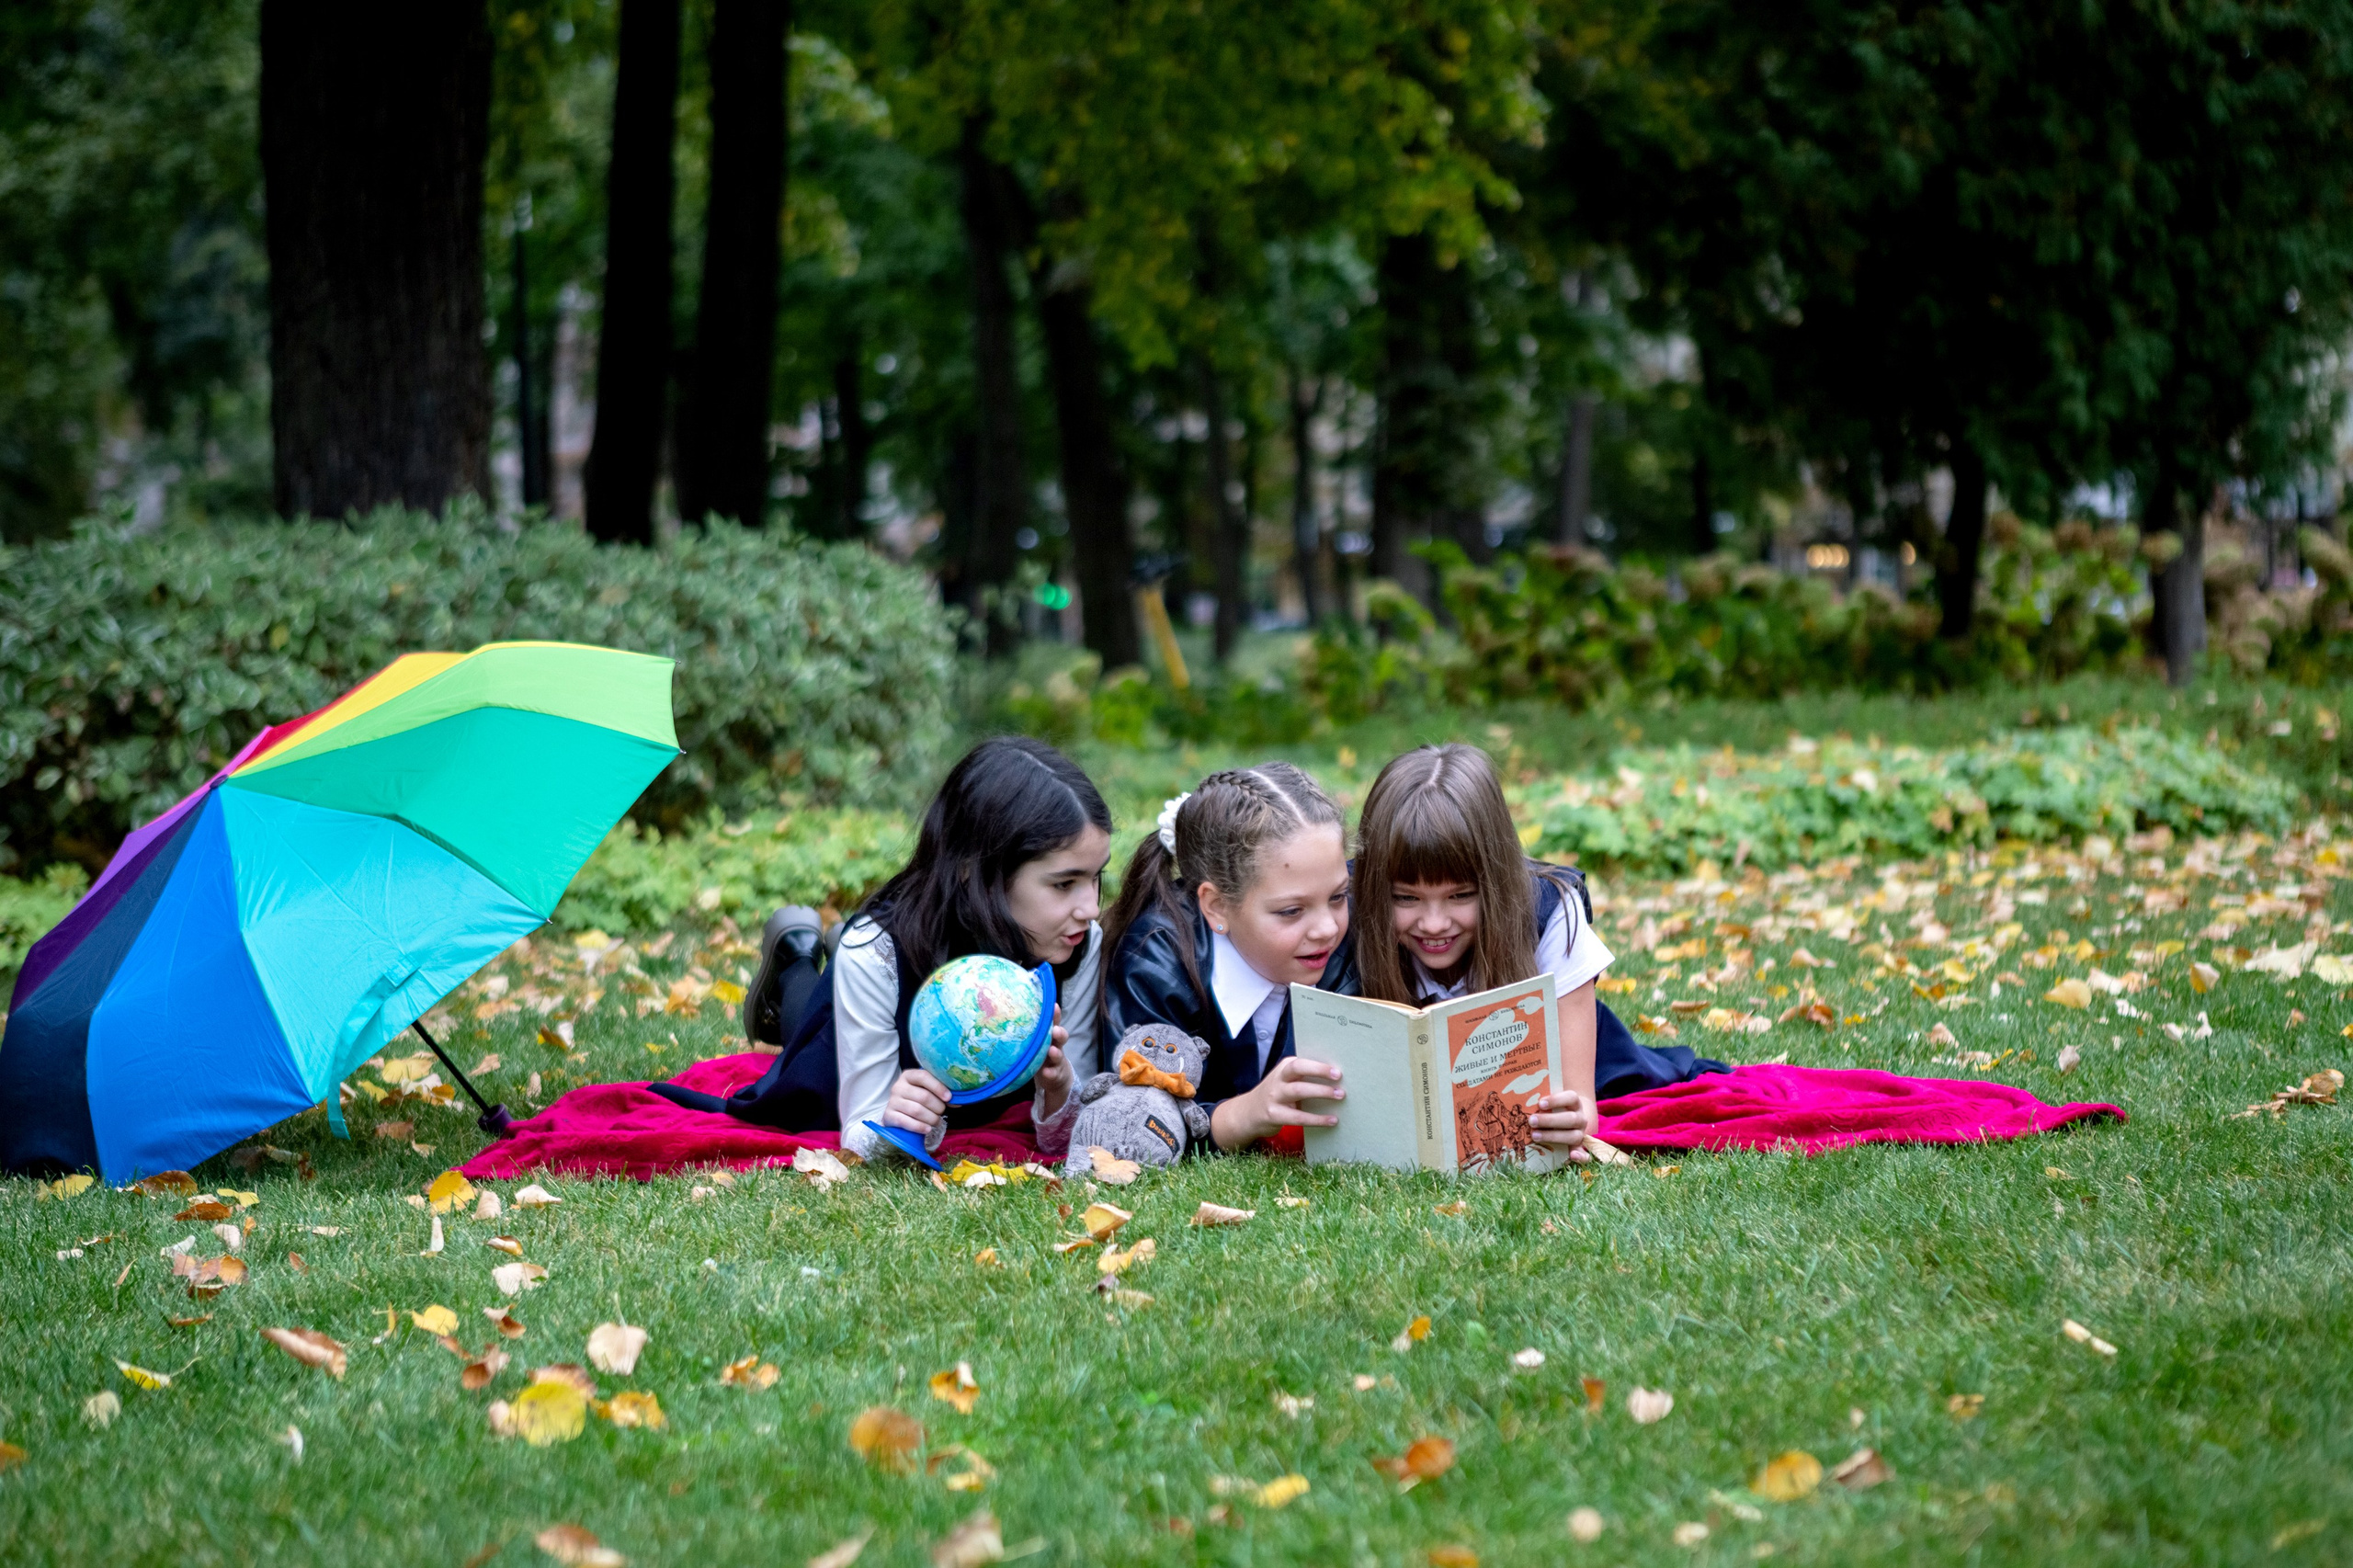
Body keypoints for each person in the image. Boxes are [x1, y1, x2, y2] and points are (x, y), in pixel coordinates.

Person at [649, 737, 1111, 1161]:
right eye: (1064, 883)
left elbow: (1079, 1111)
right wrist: (895, 1120)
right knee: (809, 1059)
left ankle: (816, 959)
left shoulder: (1077, 942)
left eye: (1096, 877)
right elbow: (859, 1128)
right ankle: (796, 957)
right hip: (879, 979)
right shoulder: (876, 951)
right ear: (975, 869)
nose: (1091, 908)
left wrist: (1060, 1090)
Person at [1350, 744, 1725, 1157]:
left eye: (1461, 896)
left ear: (1495, 880)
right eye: (1406, 898)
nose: (1434, 923)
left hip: (1589, 1060)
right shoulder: (1345, 908)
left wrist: (1571, 1120)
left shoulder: (1550, 910)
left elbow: (1581, 1105)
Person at [1101, 763, 1356, 1153]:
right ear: (1217, 906)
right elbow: (1131, 1121)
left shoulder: (1344, 943)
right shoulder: (1155, 964)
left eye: (1337, 896)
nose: (1326, 928)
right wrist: (1243, 1116)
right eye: (1291, 911)